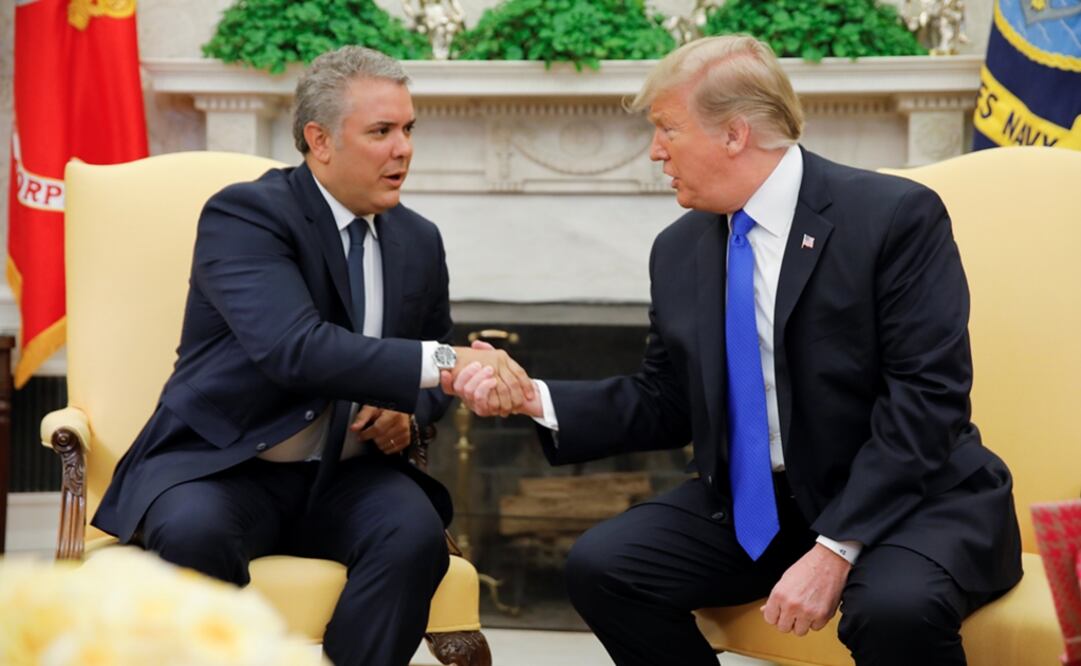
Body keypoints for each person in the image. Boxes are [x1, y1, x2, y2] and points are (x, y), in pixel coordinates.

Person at [450, 35, 1022, 666]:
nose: (654, 150)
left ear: (734, 135)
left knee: (893, 611)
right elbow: (664, 399)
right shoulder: (679, 249)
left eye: (667, 128)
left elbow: (927, 402)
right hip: (766, 505)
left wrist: (835, 549)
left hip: (910, 499)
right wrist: (533, 398)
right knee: (604, 566)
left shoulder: (893, 217)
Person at [92, 46, 531, 666]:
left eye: (408, 129)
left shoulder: (418, 238)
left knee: (413, 537)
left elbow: (428, 372)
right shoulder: (246, 215)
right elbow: (292, 349)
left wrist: (412, 411)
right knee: (194, 532)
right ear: (318, 140)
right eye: (381, 131)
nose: (402, 148)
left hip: (347, 476)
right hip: (226, 464)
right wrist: (446, 365)